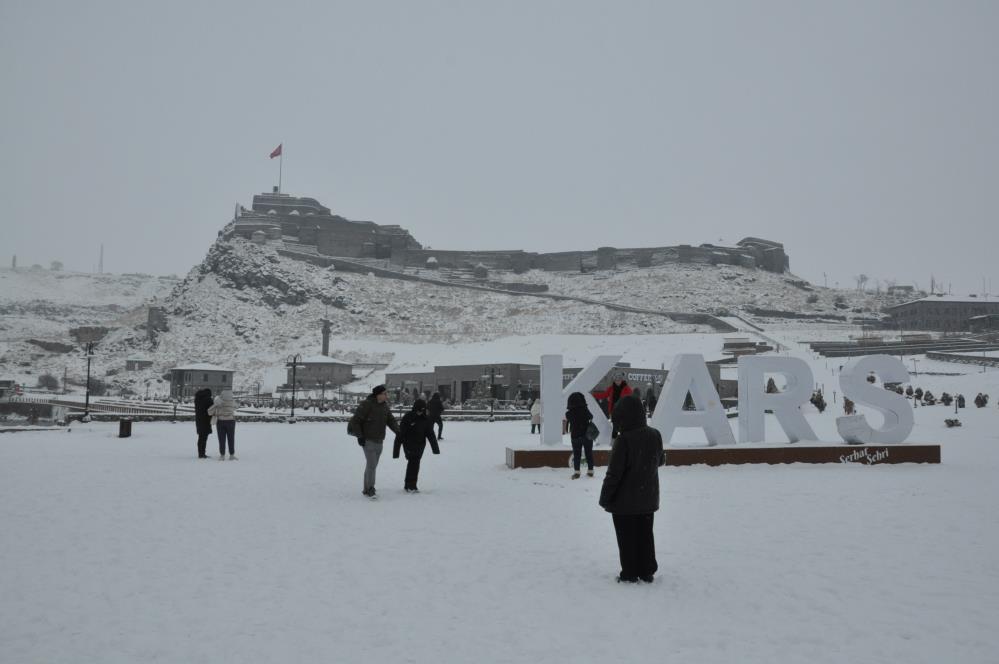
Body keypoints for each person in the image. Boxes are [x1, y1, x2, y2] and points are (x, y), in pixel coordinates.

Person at [599, 395, 664, 584]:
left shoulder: (624, 440)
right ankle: (647, 571)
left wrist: (605, 498)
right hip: (648, 498)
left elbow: (614, 474)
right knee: (645, 535)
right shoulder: (655, 434)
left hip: (624, 502)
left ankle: (629, 573)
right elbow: (660, 460)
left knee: (626, 538)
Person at [348, 385, 400, 498]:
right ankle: (371, 488)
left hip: (379, 440)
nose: (387, 396)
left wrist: (398, 431)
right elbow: (356, 420)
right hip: (368, 439)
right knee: (372, 465)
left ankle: (366, 488)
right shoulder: (367, 404)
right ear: (378, 394)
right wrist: (360, 436)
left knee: (372, 465)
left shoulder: (384, 406)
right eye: (385, 393)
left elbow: (391, 420)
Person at [393, 398, 440, 492]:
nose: (421, 412)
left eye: (423, 410)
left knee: (415, 464)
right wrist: (396, 451)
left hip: (420, 446)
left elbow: (430, 434)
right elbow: (400, 434)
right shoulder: (408, 417)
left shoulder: (425, 419)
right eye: (419, 410)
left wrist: (435, 449)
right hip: (408, 444)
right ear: (415, 409)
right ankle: (411, 486)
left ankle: (409, 485)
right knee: (413, 463)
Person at [563, 392, 594, 479]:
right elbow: (591, 416)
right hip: (587, 435)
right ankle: (590, 471)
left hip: (575, 436)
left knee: (577, 454)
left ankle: (577, 472)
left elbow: (569, 420)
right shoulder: (585, 410)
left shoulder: (569, 413)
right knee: (589, 453)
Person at [209, 388, 237, 460]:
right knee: (231, 438)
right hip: (231, 421)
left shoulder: (218, 401)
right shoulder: (233, 401)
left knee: (221, 439)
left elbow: (210, 411)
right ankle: (232, 455)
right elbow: (237, 406)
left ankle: (222, 455)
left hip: (221, 421)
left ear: (222, 394)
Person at [193, 387, 213, 459]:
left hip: (199, 420)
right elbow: (212, 408)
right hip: (206, 420)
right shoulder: (208, 399)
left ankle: (200, 453)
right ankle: (202, 454)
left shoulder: (197, 398)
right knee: (204, 438)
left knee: (201, 437)